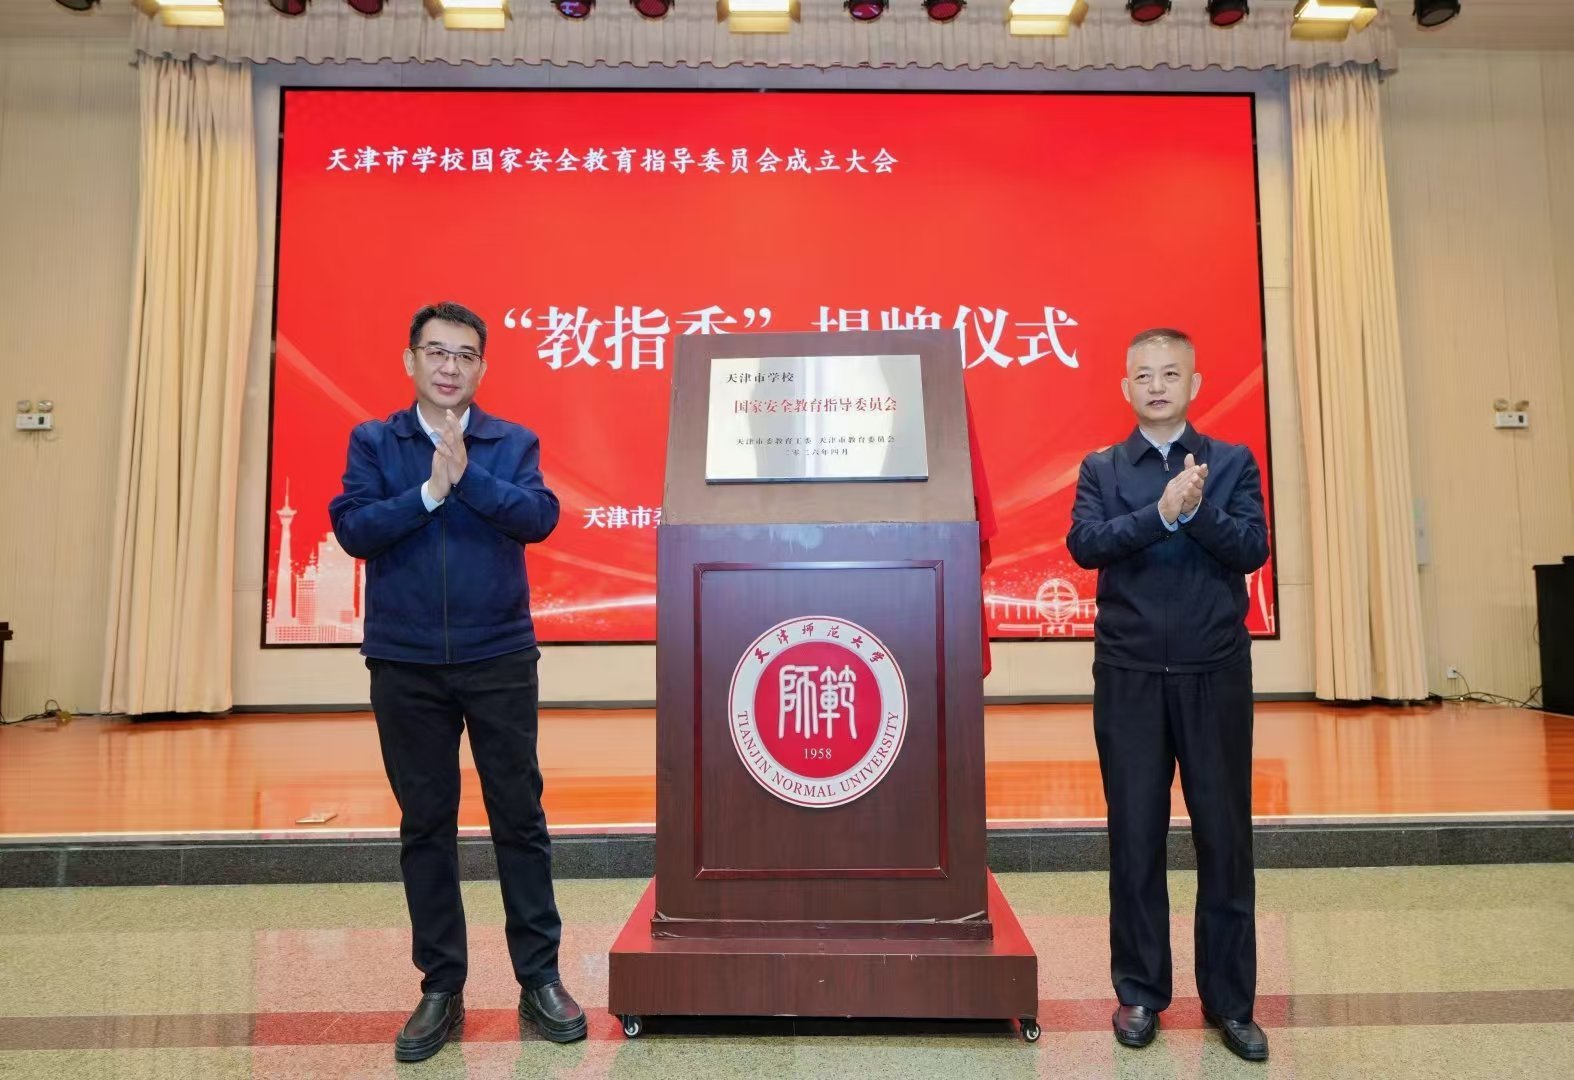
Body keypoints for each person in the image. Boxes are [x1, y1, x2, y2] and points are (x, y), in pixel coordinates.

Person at [329, 301, 584, 1061]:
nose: (449, 367)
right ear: (410, 360)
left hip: (498, 656)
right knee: (426, 824)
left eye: (465, 355)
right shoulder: (376, 441)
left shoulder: (511, 442)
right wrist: (428, 494)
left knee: (520, 819)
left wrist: (467, 478)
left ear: (482, 367)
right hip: (405, 661)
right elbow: (354, 528)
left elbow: (539, 517)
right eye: (436, 352)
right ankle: (441, 986)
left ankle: (540, 978)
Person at [1066, 328, 1271, 1062]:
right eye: (1144, 375)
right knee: (1135, 839)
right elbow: (1085, 545)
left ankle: (1231, 1002)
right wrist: (1159, 514)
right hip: (1128, 676)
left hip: (1214, 674)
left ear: (1195, 384)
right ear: (1126, 387)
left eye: (1170, 374)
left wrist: (1197, 508)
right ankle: (1140, 993)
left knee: (1225, 840)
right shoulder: (1101, 467)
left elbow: (1251, 549)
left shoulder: (1231, 462)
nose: (1157, 386)